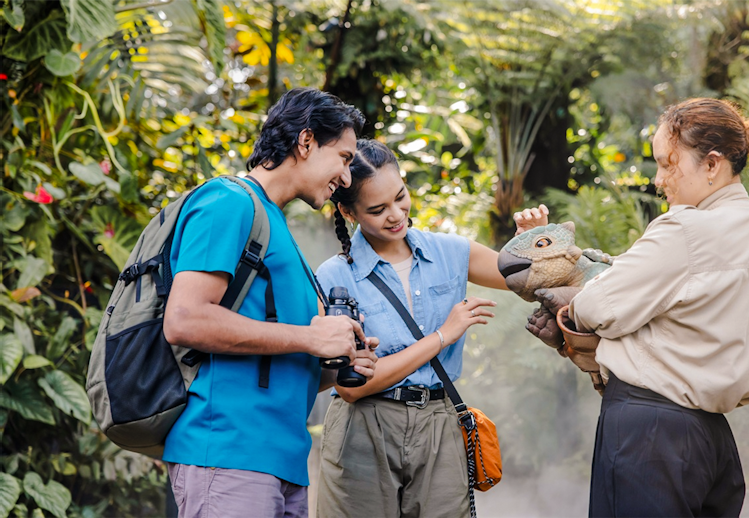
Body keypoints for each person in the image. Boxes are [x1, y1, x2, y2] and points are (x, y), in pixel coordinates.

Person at [543, 98, 749, 518]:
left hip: (651, 435)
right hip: (714, 443)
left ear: (712, 165)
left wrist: (577, 303)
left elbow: (597, 305)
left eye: (669, 164)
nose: (658, 179)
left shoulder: (685, 227)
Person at [161, 88, 379, 518]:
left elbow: (279, 358)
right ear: (306, 141)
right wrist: (308, 337)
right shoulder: (228, 202)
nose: (348, 179)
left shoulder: (276, 230)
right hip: (229, 453)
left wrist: (335, 362)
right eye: (344, 158)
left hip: (283, 465)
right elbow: (184, 320)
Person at [314, 138, 548, 518]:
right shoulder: (335, 275)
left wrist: (538, 237)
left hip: (439, 423)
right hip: (363, 431)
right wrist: (443, 335)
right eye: (377, 209)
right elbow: (351, 388)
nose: (396, 214)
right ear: (348, 211)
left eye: (400, 196)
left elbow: (528, 278)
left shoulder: (450, 251)